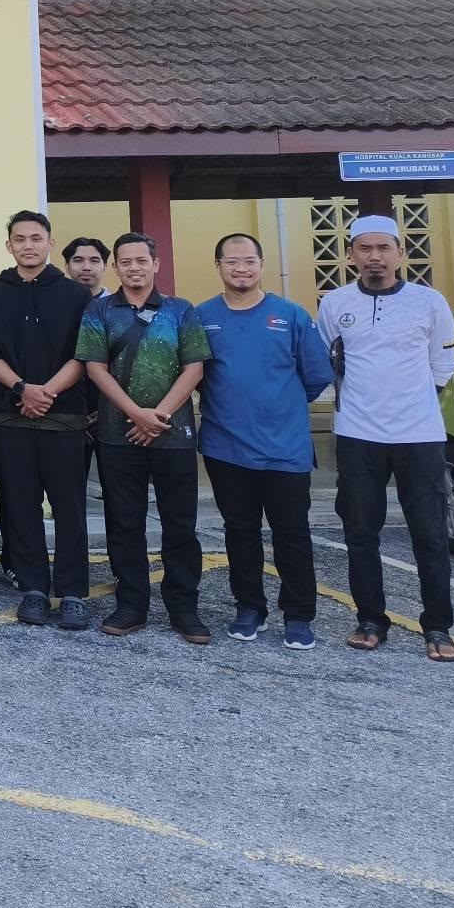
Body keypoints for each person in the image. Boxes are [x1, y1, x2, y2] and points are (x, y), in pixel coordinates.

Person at [318, 214, 454, 661]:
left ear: (401, 253)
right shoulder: (335, 303)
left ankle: (437, 626)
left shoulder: (429, 301)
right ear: (351, 255)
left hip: (419, 435)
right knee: (361, 532)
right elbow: (330, 359)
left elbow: (444, 364)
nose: (374, 257)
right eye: (365, 248)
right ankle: (370, 619)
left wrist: (413, 405)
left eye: (383, 248)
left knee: (430, 534)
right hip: (358, 435)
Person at [197, 232, 334, 650]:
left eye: (249, 260)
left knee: (291, 533)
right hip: (226, 447)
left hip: (284, 449)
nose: (241, 268)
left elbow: (316, 376)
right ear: (217, 266)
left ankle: (298, 614)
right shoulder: (203, 317)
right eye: (232, 261)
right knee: (240, 532)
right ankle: (249, 608)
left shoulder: (290, 314)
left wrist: (278, 408)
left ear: (261, 264)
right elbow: (195, 375)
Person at [78, 233, 210, 643]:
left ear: (156, 264)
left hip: (174, 435)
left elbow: (195, 368)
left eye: (141, 260)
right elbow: (95, 368)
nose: (134, 268)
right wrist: (136, 414)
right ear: (115, 267)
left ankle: (183, 605)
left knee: (180, 525)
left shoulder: (180, 310)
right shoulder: (100, 310)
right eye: (125, 262)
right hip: (118, 435)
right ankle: (132, 603)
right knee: (125, 523)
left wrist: (160, 415)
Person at [0, 211, 96, 631]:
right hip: (10, 416)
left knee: (69, 508)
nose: (28, 245)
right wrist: (23, 388)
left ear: (49, 242)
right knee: (20, 507)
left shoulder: (75, 295)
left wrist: (47, 393)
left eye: (36, 238)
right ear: (8, 246)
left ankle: (73, 591)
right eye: (19, 239)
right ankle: (34, 589)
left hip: (65, 419)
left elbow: (85, 354)